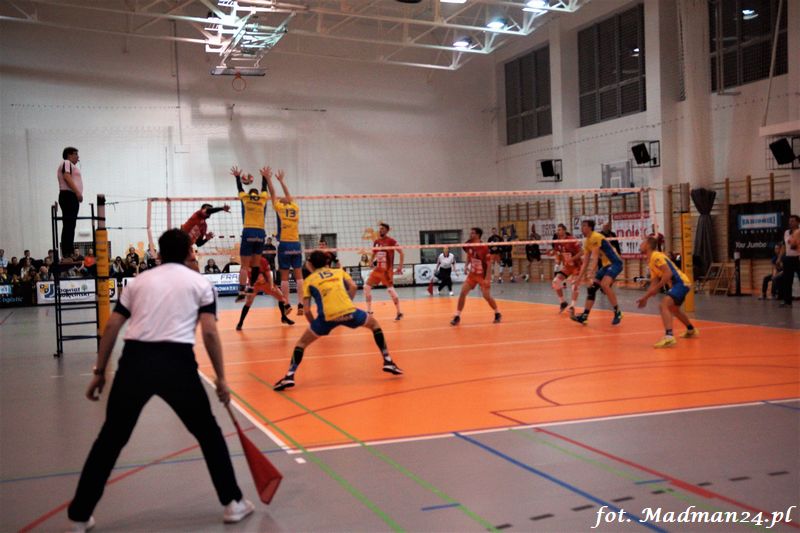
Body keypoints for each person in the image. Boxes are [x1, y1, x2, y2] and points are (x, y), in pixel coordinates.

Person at [65, 229, 253, 531]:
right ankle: (233, 502)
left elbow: (112, 326)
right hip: (177, 364)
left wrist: (99, 373)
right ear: (189, 251)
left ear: (160, 254)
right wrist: (221, 379)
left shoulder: (138, 282)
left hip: (134, 363)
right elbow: (208, 332)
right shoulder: (201, 284)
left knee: (110, 439)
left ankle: (79, 516)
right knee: (208, 434)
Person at [272, 251, 402, 391]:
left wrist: (315, 326)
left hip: (326, 318)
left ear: (310, 264)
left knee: (301, 344)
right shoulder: (339, 272)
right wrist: (347, 303)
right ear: (326, 262)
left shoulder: (309, 281)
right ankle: (387, 360)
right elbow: (353, 287)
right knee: (375, 325)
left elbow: (307, 310)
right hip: (349, 311)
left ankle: (290, 375)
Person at [636, 237, 698, 348]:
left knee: (663, 305)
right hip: (678, 284)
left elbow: (668, 273)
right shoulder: (650, 261)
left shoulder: (656, 256)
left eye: (643, 242)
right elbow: (654, 284)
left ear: (648, 245)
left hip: (680, 282)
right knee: (674, 309)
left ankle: (669, 337)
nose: (640, 245)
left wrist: (657, 287)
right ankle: (691, 329)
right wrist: (645, 298)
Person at [262, 167, 305, 316]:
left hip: (285, 244)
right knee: (299, 276)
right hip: (296, 244)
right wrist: (282, 181)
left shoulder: (279, 208)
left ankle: (286, 304)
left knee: (284, 277)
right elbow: (288, 196)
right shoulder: (295, 207)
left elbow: (273, 194)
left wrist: (268, 179)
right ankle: (301, 304)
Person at [571, 219, 624, 325]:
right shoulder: (587, 241)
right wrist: (578, 279)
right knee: (591, 289)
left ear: (590, 227)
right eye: (582, 226)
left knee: (604, 285)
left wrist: (591, 274)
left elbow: (595, 258)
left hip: (615, 263)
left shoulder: (596, 237)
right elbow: (585, 262)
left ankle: (618, 312)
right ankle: (584, 316)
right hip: (606, 266)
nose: (582, 228)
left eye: (584, 226)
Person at [231, 165, 269, 304]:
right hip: (260, 232)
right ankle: (251, 287)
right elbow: (264, 188)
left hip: (248, 231)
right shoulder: (262, 199)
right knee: (256, 265)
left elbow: (240, 189)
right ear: (257, 194)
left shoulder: (246, 198)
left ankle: (241, 291)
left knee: (244, 266)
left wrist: (237, 177)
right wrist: (264, 176)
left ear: (250, 193)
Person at [450, 228, 501, 326]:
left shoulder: (484, 248)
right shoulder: (469, 244)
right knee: (462, 292)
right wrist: (466, 266)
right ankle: (457, 316)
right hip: (472, 275)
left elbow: (489, 264)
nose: (470, 234)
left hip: (482, 276)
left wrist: (487, 279)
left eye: (473, 233)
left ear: (478, 235)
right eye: (471, 232)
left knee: (486, 296)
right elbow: (469, 255)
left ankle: (497, 312)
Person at [236, 255, 294, 330]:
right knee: (248, 302)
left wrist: (271, 286)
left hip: (266, 283)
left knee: (281, 297)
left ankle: (284, 317)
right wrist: (242, 288)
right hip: (254, 285)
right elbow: (241, 275)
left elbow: (269, 275)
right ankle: (240, 322)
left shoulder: (263, 261)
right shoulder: (246, 261)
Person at [365, 222, 405, 320]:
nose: (380, 230)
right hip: (377, 269)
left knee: (390, 290)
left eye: (382, 229)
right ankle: (369, 311)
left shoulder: (391, 241)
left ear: (387, 230)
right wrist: (371, 261)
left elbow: (401, 253)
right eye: (380, 228)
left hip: (387, 270)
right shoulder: (376, 241)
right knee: (366, 287)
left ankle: (399, 312)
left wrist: (400, 266)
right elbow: (374, 252)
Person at [548, 224, 582, 314]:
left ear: (564, 230)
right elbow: (558, 254)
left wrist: (572, 259)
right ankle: (563, 303)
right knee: (555, 282)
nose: (558, 231)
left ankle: (572, 306)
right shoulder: (558, 242)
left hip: (577, 266)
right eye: (557, 230)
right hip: (567, 266)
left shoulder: (571, 240)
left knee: (574, 286)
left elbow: (582, 252)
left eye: (559, 229)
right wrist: (554, 256)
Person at [58, 147, 83, 263]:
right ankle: (67, 252)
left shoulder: (71, 165)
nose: (78, 157)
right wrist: (77, 192)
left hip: (71, 196)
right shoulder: (66, 163)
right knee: (68, 225)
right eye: (76, 154)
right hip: (68, 195)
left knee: (71, 225)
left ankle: (70, 251)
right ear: (69, 154)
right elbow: (66, 176)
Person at [779, 214, 800, 308]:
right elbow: (784, 246)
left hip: (798, 258)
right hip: (788, 258)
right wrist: (779, 258)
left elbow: (794, 246)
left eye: (792, 221)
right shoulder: (786, 232)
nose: (790, 223)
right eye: (789, 221)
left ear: (798, 222)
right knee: (787, 281)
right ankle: (787, 301)